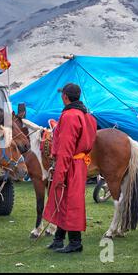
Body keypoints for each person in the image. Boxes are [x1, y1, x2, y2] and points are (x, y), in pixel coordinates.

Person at [43, 83, 97, 253]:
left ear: (65, 96)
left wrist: (60, 172)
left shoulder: (70, 116)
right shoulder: (87, 115)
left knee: (70, 201)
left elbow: (66, 148)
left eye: (62, 95)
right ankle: (59, 239)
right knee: (65, 200)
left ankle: (75, 242)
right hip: (78, 163)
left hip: (70, 163)